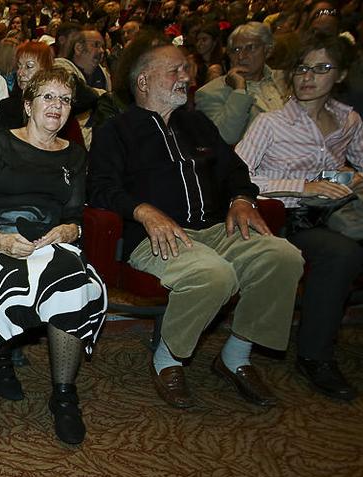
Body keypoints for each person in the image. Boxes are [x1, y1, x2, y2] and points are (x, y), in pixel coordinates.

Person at [88, 43, 305, 409]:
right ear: (144, 81)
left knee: (283, 257)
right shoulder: (116, 131)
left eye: (186, 70)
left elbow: (236, 171)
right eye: (174, 70)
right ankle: (168, 358)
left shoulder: (198, 124)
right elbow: (100, 188)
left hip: (216, 228)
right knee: (213, 274)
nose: (186, 78)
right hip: (157, 237)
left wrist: (242, 199)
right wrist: (142, 210)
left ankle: (236, 355)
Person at [0, 67, 106, 445]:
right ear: (28, 105)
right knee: (11, 277)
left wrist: (69, 231)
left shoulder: (75, 155)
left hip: (49, 245)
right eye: (48, 97)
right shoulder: (1, 143)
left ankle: (64, 395)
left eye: (65, 100)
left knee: (71, 278)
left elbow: (75, 216)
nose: (57, 105)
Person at [235, 33, 363, 400]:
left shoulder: (347, 119)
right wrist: (303, 187)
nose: (308, 77)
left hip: (334, 213)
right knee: (341, 254)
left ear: (340, 75)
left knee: (344, 249)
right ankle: (315, 356)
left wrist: (352, 178)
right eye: (302, 68)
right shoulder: (271, 123)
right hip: (283, 218)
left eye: (321, 68)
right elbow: (238, 178)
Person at [195, 22, 288, 144]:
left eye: (250, 48)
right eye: (236, 50)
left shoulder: (286, 79)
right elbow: (225, 137)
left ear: (268, 50)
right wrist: (239, 90)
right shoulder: (209, 93)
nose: (241, 56)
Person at [0, 41, 55, 130]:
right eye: (19, 66)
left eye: (29, 66)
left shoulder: (55, 107)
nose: (20, 73)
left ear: (45, 70)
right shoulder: (7, 106)